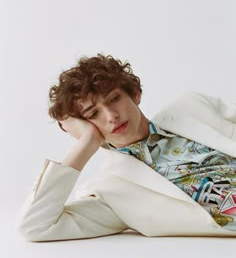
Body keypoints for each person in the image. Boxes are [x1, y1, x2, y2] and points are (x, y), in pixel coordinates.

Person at [17, 54, 236, 242]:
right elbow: (35, 226)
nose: (111, 116)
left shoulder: (191, 107)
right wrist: (86, 143)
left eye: (114, 99)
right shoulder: (111, 193)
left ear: (134, 94)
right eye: (93, 114)